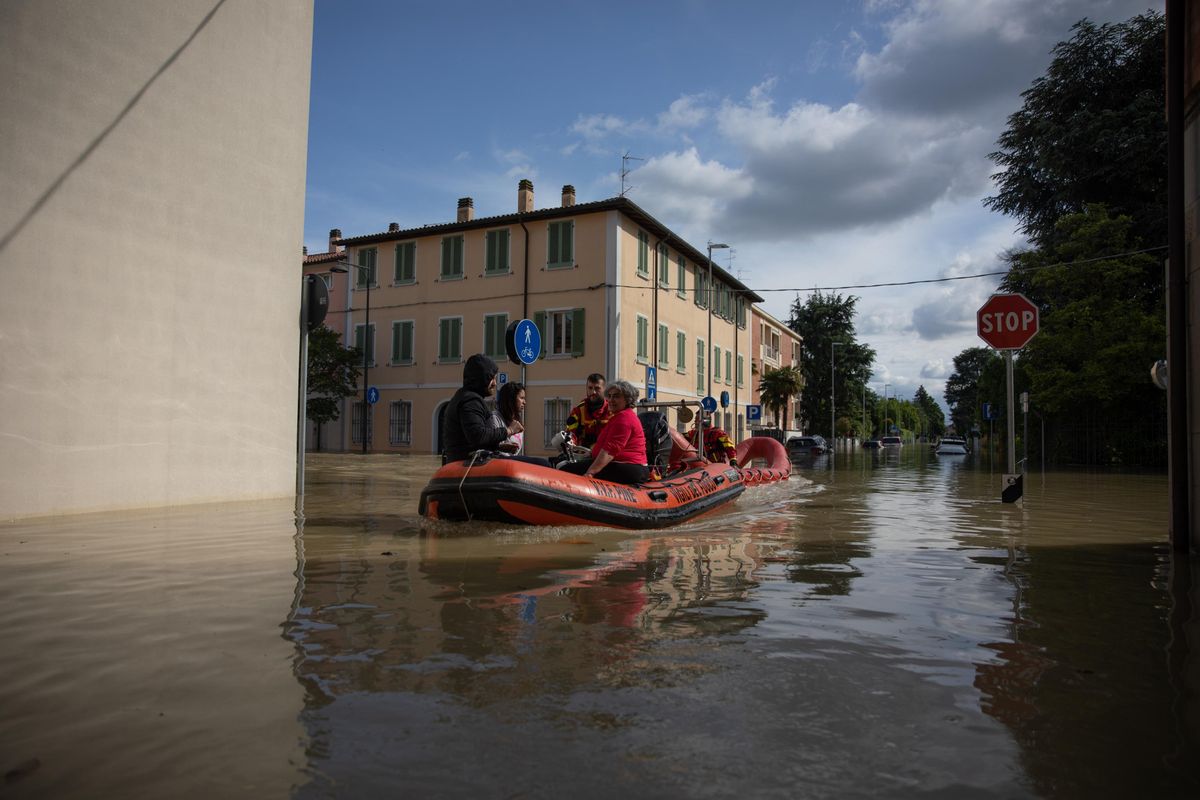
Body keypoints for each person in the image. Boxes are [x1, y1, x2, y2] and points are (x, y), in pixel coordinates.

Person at [443, 354, 547, 467]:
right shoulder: (470, 401)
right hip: (470, 463)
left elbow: (471, 441)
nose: (495, 383)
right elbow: (477, 435)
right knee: (543, 464)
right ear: (481, 378)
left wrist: (498, 447)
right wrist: (509, 430)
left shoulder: (465, 397)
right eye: (491, 378)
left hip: (467, 460)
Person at [560, 379, 648, 484]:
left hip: (628, 468)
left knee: (566, 470)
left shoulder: (624, 419)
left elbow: (610, 450)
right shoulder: (620, 416)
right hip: (624, 465)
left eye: (616, 396)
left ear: (628, 400)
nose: (611, 400)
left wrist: (590, 473)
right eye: (609, 396)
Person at [564, 373, 611, 448]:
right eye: (590, 388)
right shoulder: (579, 410)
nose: (593, 392)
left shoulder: (612, 410)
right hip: (583, 453)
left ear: (604, 389)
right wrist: (571, 442)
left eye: (597, 388)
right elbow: (571, 433)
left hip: (605, 453)